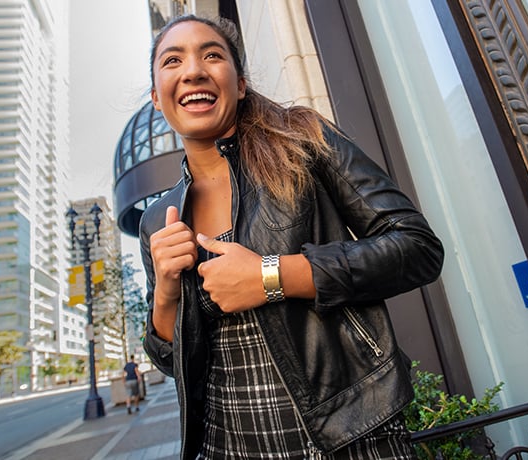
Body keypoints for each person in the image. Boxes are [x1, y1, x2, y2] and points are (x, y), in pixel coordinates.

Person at [140, 14, 444, 459]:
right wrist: (166, 294)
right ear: (156, 98)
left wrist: (270, 275)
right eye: (172, 60)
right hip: (227, 447)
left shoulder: (302, 142)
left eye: (211, 55)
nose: (193, 71)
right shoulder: (157, 220)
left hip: (350, 434)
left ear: (240, 83)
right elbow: (171, 361)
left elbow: (417, 248)